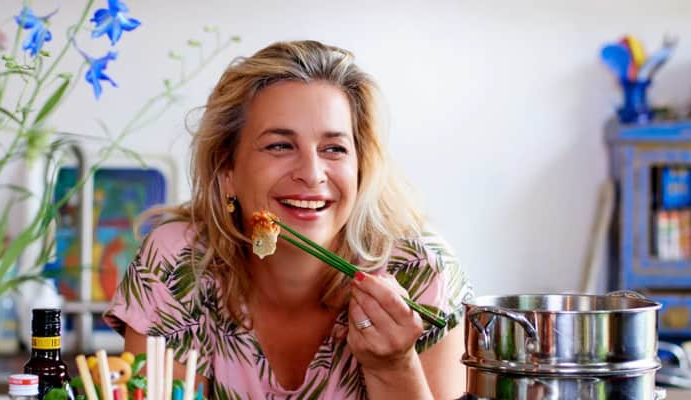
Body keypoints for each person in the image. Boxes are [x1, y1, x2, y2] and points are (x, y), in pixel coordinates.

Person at [104, 40, 473, 399]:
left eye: (334, 148)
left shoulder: (421, 271)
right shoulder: (178, 264)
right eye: (280, 145)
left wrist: (392, 367)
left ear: (361, 168)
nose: (312, 174)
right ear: (227, 170)